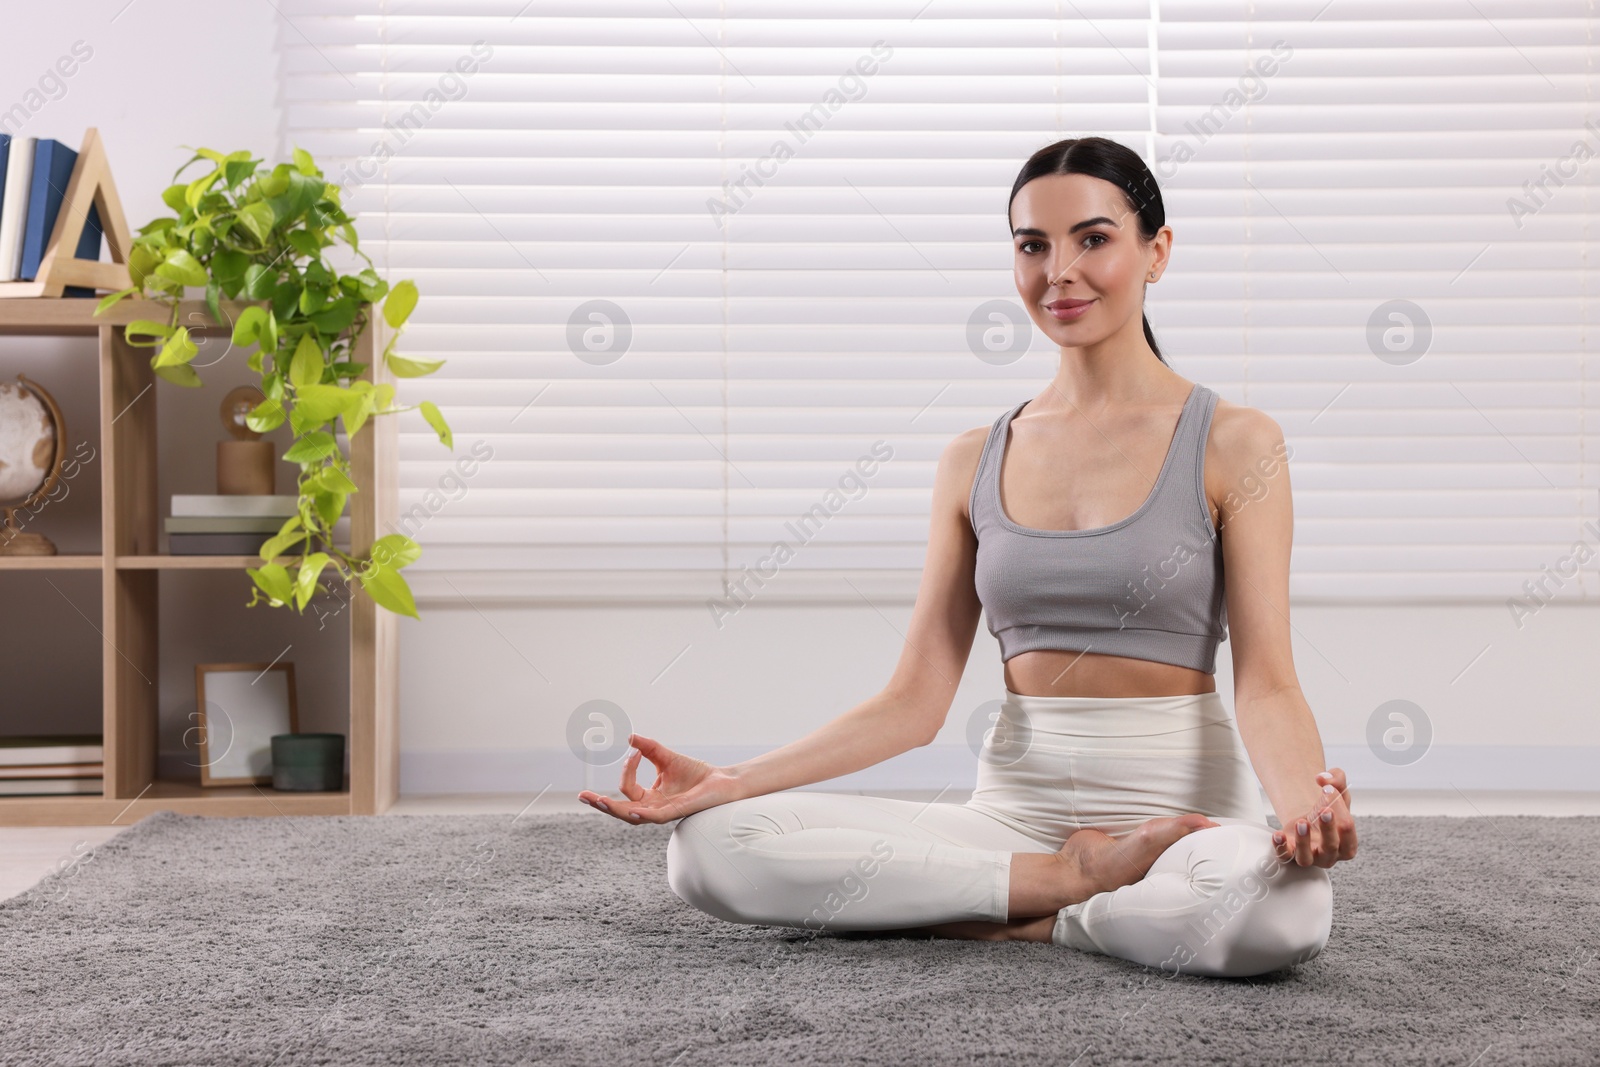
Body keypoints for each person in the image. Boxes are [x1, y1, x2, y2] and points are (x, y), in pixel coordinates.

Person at [577, 136, 1358, 979]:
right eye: (1033, 245)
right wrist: (730, 779)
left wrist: (1301, 813)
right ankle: (1068, 887)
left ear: (1155, 251)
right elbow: (912, 701)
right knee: (710, 850)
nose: (1059, 270)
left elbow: (1270, 680)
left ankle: (1013, 917)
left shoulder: (1237, 442)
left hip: (1186, 821)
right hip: (1012, 822)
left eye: (1093, 238)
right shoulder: (972, 458)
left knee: (1284, 913)